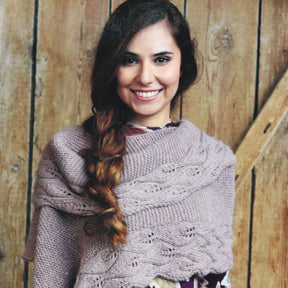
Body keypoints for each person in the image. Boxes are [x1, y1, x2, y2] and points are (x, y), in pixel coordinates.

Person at [23, 0, 236, 287]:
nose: (146, 77)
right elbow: (50, 276)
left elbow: (218, 276)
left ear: (182, 66)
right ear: (113, 68)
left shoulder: (212, 160)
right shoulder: (66, 154)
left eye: (161, 59)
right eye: (130, 60)